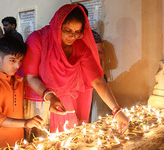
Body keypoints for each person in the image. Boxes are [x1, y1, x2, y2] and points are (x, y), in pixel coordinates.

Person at [22, 4, 129, 134]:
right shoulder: (38, 39)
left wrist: (117, 111)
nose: (72, 36)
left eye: (77, 32)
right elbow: (31, 77)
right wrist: (50, 96)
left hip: (68, 102)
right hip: (42, 102)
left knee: (68, 140)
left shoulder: (80, 46)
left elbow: (98, 81)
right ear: (58, 25)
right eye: (67, 30)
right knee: (43, 141)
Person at [0, 36, 44, 150]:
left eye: (20, 60)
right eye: (12, 60)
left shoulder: (20, 81)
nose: (17, 66)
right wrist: (26, 123)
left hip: (16, 144)